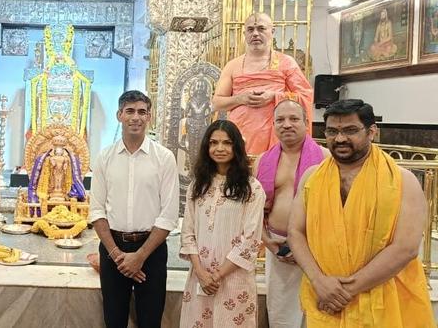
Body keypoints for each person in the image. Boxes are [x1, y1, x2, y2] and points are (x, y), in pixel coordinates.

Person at [288, 99, 434, 327]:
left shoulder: (402, 181)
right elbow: (295, 232)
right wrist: (319, 282)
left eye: (350, 130)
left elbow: (405, 248)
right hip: (325, 296)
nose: (340, 138)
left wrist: (344, 291)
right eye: (332, 131)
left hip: (384, 301)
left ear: (372, 131)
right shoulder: (312, 177)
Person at [89, 90, 179, 328]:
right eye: (130, 111)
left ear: (149, 116)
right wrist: (119, 257)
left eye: (142, 112)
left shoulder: (164, 158)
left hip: (151, 250)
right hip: (112, 249)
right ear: (120, 115)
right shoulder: (104, 158)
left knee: (150, 321)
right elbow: (97, 211)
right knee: (114, 320)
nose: (135, 117)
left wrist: (139, 257)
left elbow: (168, 216)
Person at [179, 120, 265, 328]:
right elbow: (188, 231)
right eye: (213, 143)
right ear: (206, 147)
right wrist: (201, 272)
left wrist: (216, 276)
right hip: (200, 278)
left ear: (237, 147)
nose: (219, 148)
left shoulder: (251, 188)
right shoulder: (198, 185)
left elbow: (250, 240)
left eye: (227, 143)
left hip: (234, 279)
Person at [254, 100, 327, 328]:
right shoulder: (262, 161)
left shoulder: (326, 159)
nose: (287, 124)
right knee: (281, 313)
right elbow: (254, 212)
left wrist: (307, 245)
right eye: (280, 120)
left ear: (306, 123)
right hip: (278, 248)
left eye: (294, 119)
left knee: (315, 310)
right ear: (273, 125)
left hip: (317, 248)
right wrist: (270, 244)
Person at [212, 12, 314, 155]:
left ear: (272, 32)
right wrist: (240, 98)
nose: (255, 34)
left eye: (261, 28)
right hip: (239, 134)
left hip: (277, 135)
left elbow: (305, 95)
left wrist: (274, 96)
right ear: (244, 34)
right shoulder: (232, 66)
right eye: (250, 30)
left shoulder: (286, 62)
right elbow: (217, 102)